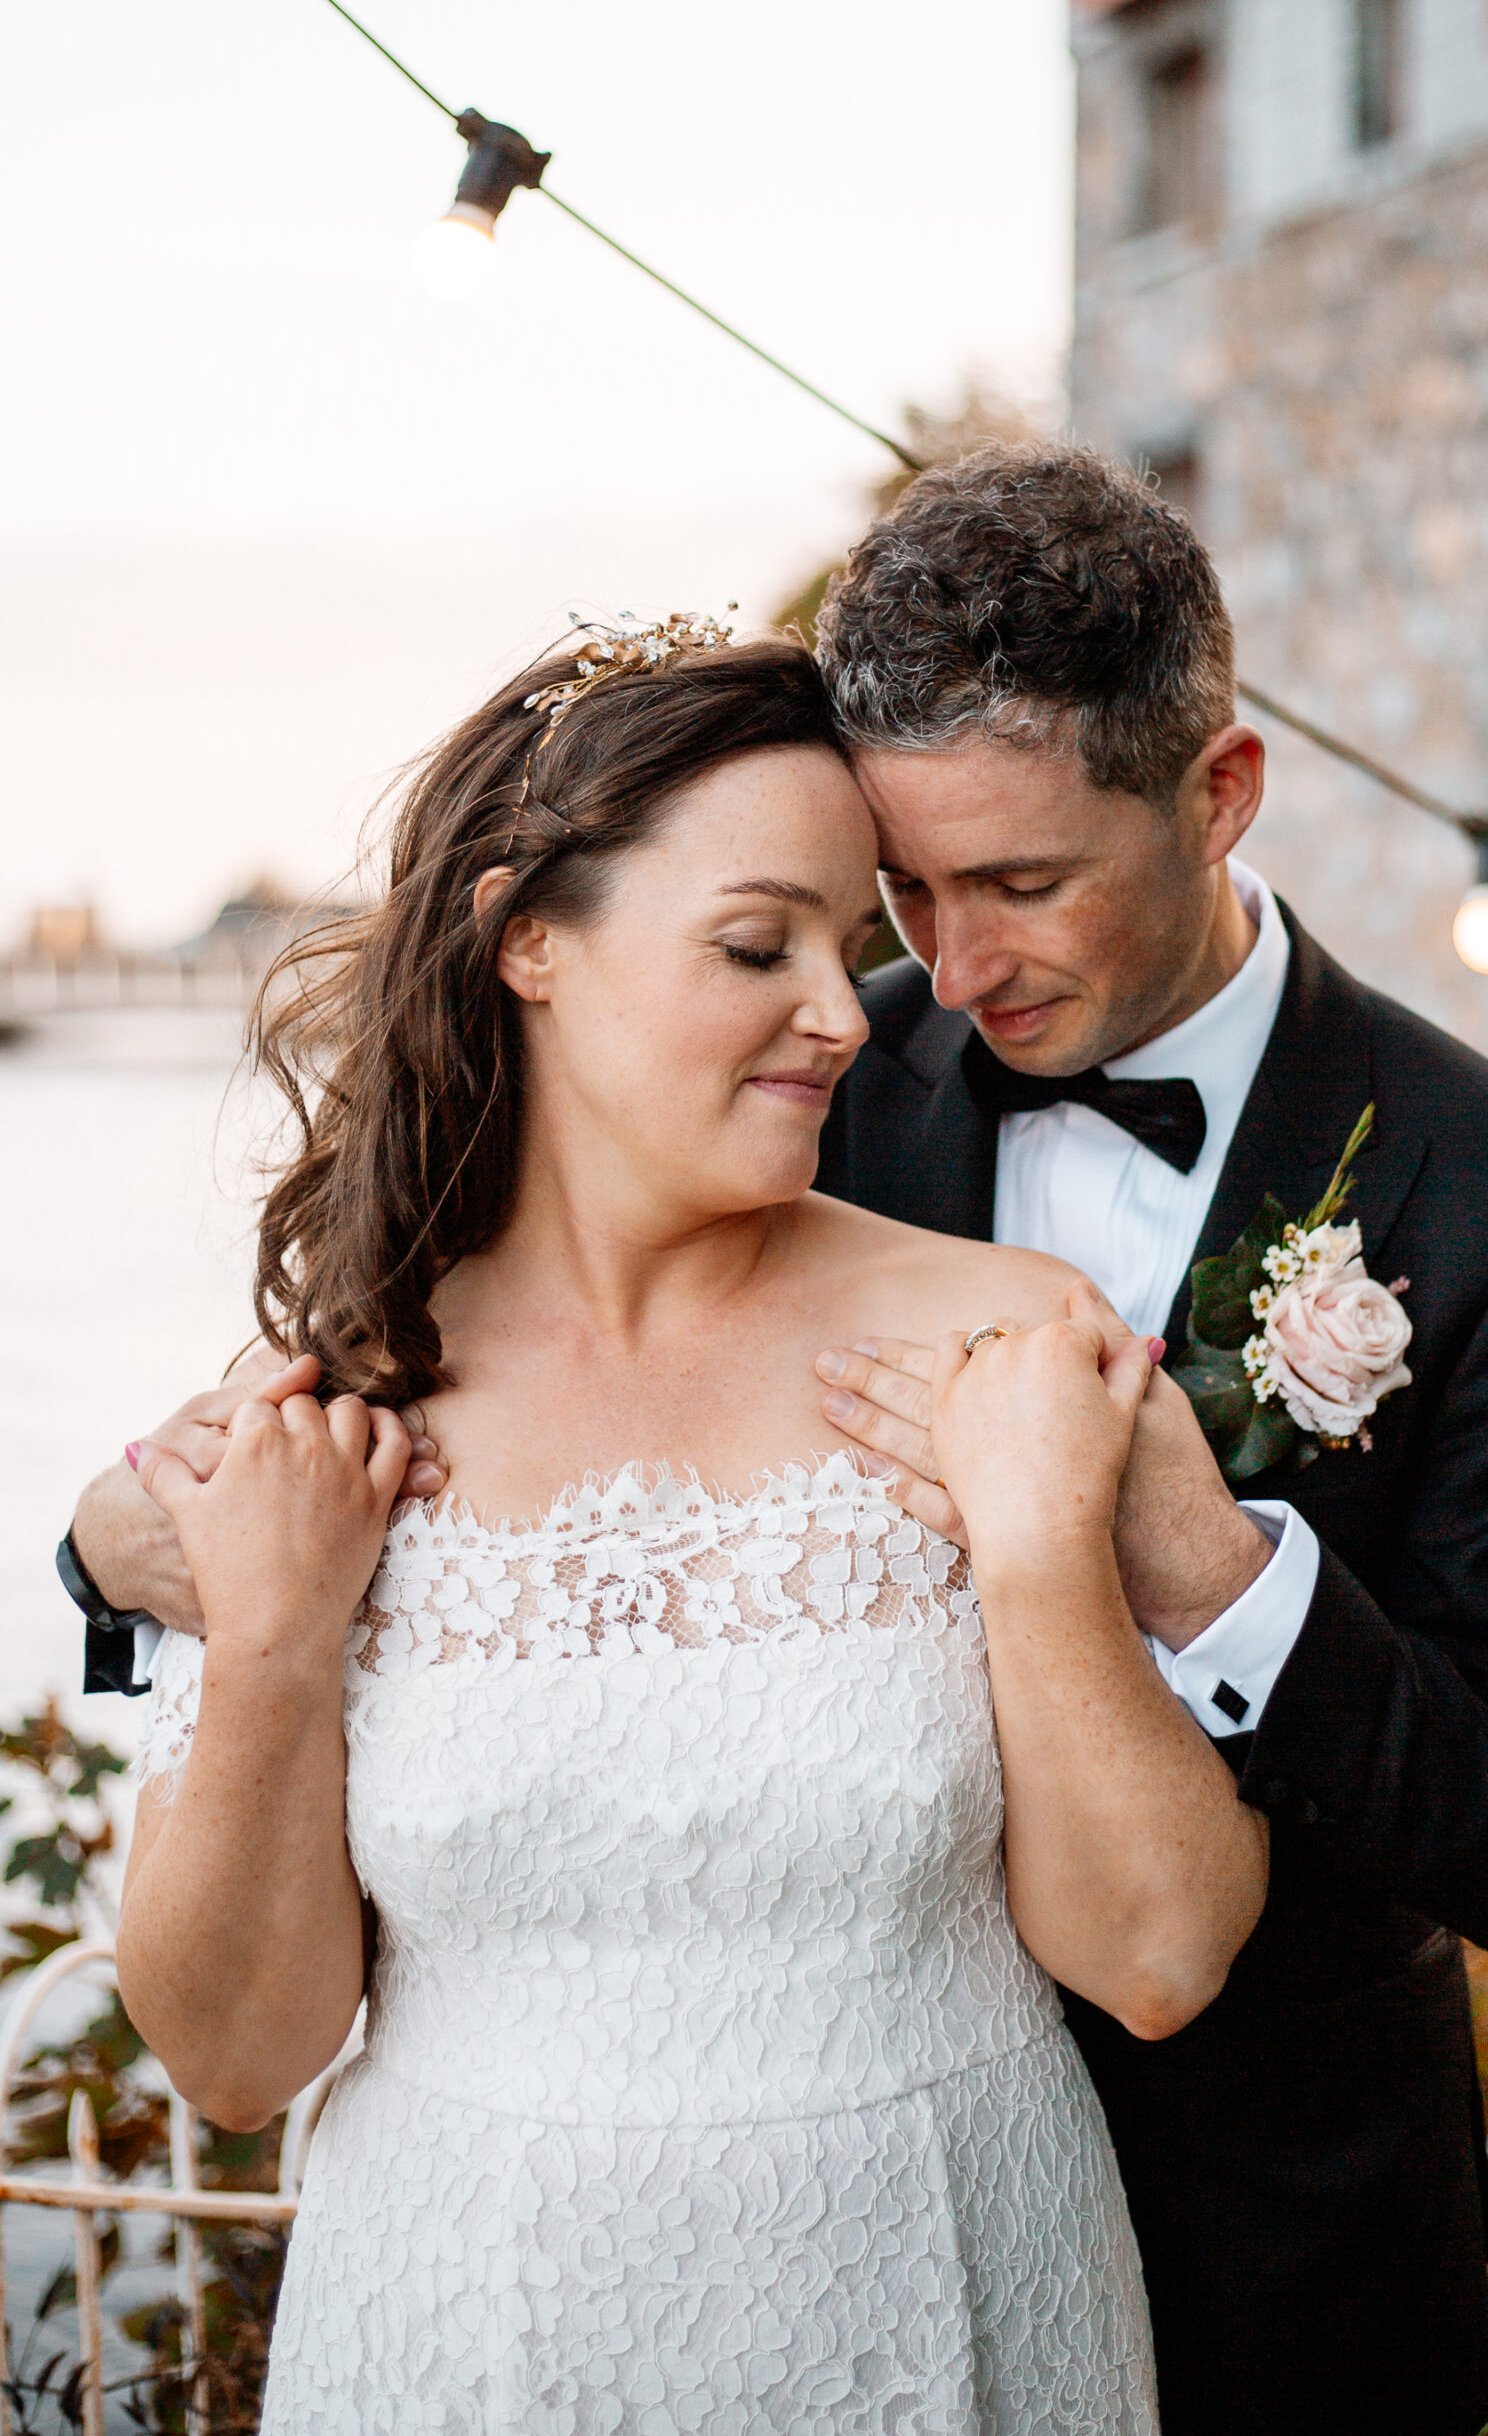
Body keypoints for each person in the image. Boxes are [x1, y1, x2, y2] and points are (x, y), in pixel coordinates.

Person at [97, 622, 1270, 2431]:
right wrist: (268, 1648)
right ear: (528, 941)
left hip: (949, 2290)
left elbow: (1162, 1956)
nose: (844, 1012)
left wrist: (1041, 1563)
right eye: (756, 942)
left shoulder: (1003, 1336)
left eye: (845, 941)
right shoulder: (334, 1408)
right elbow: (238, 2059)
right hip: (466, 2324)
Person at [790, 442, 1488, 2434]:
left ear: (1218, 790)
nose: (952, 956)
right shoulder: (812, 1082)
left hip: (1281, 2255)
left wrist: (1216, 1566)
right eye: (905, 883)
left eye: (1019, 880)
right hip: (861, 2209)